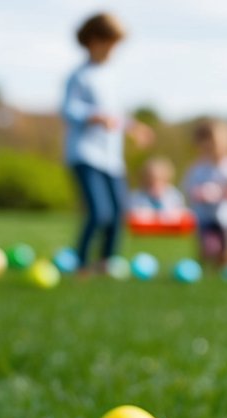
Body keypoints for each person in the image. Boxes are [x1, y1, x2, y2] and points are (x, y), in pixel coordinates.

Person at [62, 12, 154, 272]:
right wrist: (94, 116)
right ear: (93, 41)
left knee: (118, 214)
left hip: (111, 158)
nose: (113, 50)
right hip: (85, 155)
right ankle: (81, 264)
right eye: (110, 43)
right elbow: (69, 110)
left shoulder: (111, 75)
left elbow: (115, 115)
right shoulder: (80, 76)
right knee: (98, 212)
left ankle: (106, 264)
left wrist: (133, 127)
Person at [183, 119, 227, 272]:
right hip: (204, 216)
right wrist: (197, 193)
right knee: (206, 248)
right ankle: (204, 269)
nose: (210, 148)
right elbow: (188, 187)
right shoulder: (199, 168)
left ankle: (226, 270)